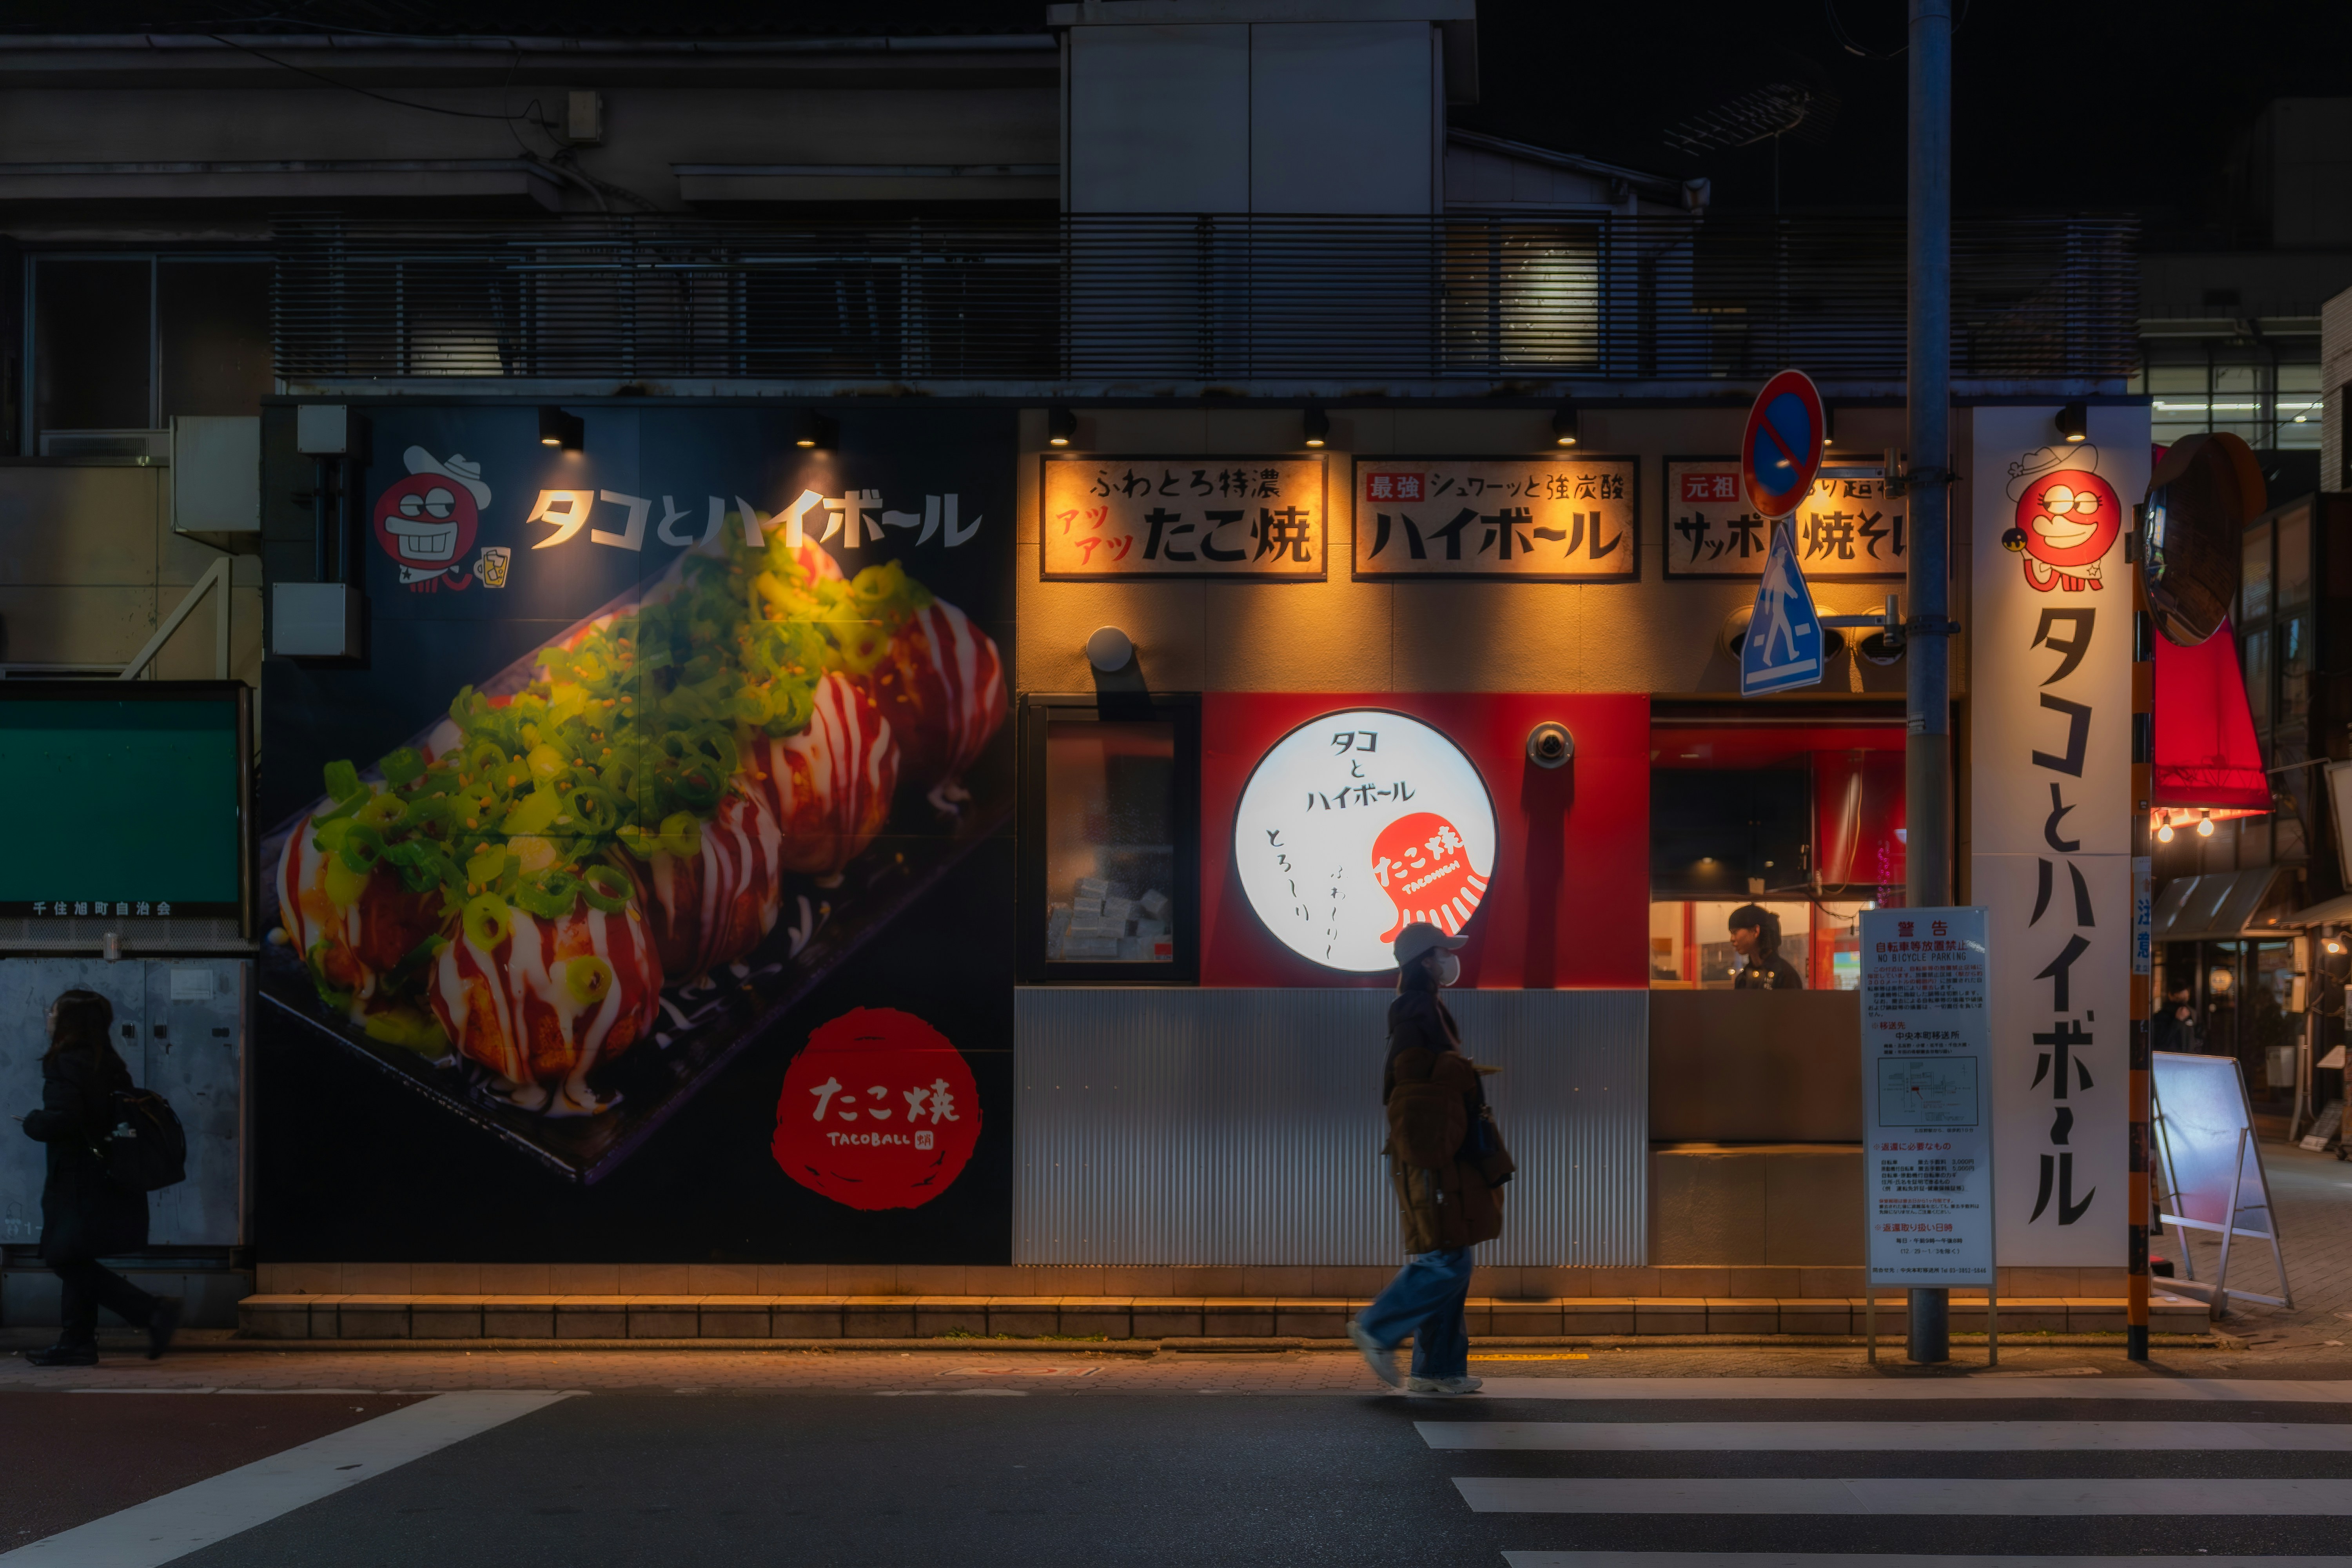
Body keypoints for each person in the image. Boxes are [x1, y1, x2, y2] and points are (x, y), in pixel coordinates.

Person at [1347, 922, 1505, 1397]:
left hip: (1439, 1148)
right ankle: (1378, 1326)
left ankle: (1438, 1370)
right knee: (1447, 1258)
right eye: (1443, 952)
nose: (1451, 960)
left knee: (1453, 1249)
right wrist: (1458, 1073)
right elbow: (1408, 1083)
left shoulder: (1424, 1006)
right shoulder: (1416, 1007)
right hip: (1432, 1151)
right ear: (1425, 961)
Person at [16, 989, 179, 1367]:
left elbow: (64, 1118)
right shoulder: (108, 1061)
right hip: (105, 1171)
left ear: (67, 1020)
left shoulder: (64, 1062)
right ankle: (77, 1341)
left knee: (63, 1258)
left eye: (53, 1010)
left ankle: (151, 1311)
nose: (48, 1015)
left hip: (74, 1177)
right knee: (76, 1255)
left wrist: (33, 1122)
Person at [1727, 904, 1804, 991]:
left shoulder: (1785, 975)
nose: (1732, 939)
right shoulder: (1743, 978)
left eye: (1735, 932)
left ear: (1756, 931)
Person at [2151, 981, 2199, 1054]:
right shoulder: (2162, 1016)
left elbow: (2200, 1035)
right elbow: (2160, 1041)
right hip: (2169, 1059)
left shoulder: (2192, 1013)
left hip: (2189, 1059)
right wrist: (2177, 1021)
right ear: (2171, 995)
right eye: (2179, 993)